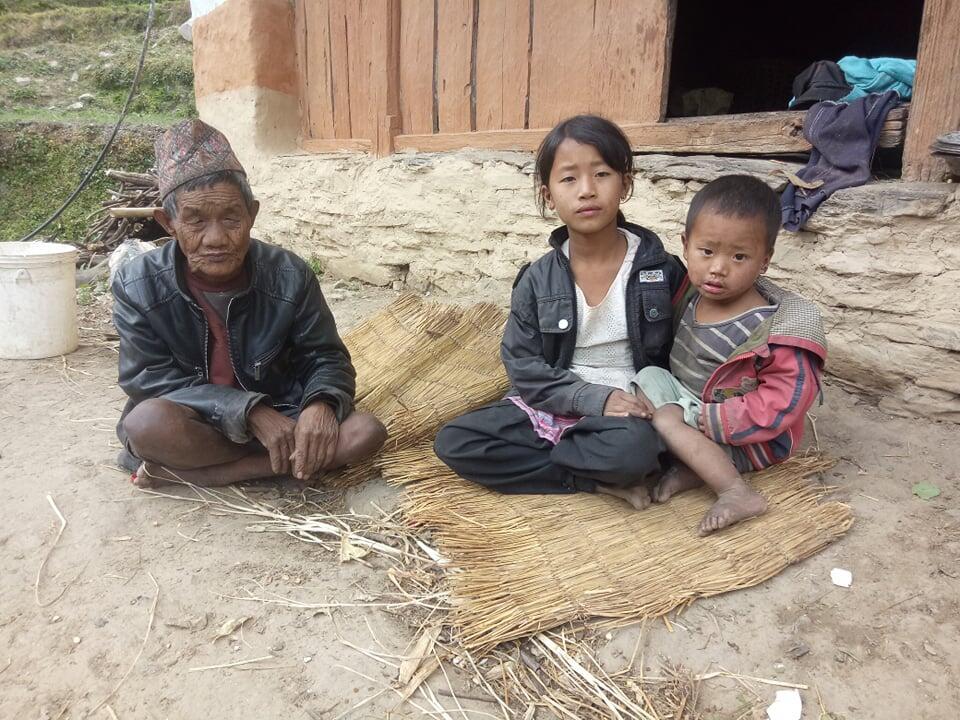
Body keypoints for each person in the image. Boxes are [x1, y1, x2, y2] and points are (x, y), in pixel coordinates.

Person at [112, 119, 387, 488]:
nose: (216, 238)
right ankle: (271, 465)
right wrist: (249, 412)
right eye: (196, 221)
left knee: (365, 432)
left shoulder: (289, 274)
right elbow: (147, 379)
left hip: (282, 414)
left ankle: (185, 473)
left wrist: (320, 404)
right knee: (146, 424)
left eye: (231, 218)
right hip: (198, 421)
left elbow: (325, 356)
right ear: (168, 223)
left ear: (252, 215)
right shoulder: (138, 284)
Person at [434, 115, 689, 507]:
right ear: (549, 194)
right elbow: (524, 367)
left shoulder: (661, 271)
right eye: (569, 178)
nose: (586, 190)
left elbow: (688, 349)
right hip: (557, 402)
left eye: (601, 174)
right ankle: (585, 478)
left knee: (632, 452)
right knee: (456, 440)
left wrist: (666, 407)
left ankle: (591, 462)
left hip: (630, 412)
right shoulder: (538, 280)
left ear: (625, 183)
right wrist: (590, 398)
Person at [630, 175, 827, 535]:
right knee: (645, 379)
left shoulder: (773, 329)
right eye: (707, 252)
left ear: (764, 260)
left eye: (739, 257)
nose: (718, 268)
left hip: (745, 431)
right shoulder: (690, 293)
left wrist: (723, 419)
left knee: (667, 423)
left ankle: (735, 491)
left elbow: (786, 398)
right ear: (686, 245)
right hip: (690, 401)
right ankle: (695, 465)